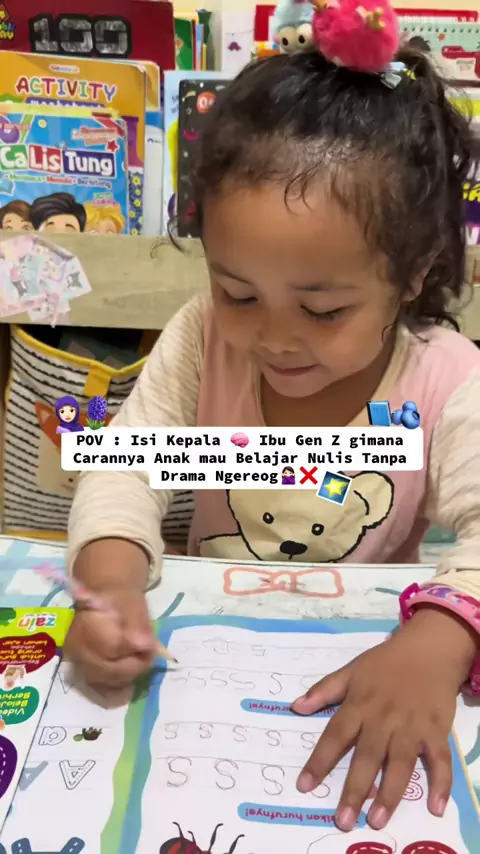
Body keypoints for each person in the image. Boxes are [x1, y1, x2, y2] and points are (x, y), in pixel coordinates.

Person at [66, 44, 480, 834]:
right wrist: (110, 576)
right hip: (204, 671)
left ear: (414, 271)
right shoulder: (201, 338)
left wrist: (441, 638)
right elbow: (125, 469)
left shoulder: (447, 379)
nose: (275, 339)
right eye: (238, 293)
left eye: (323, 310)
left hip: (363, 670)